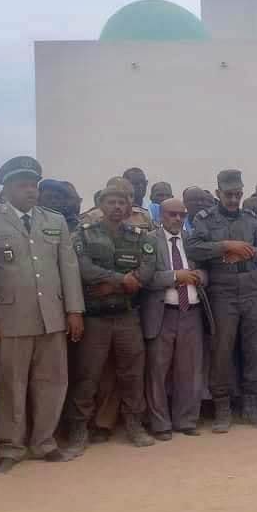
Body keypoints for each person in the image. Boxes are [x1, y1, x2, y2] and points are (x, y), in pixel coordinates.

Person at [0, 156, 85, 471]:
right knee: (10, 385)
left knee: (52, 382)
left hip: (52, 317)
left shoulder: (54, 220)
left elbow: (68, 269)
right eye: (23, 185)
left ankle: (44, 442)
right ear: (6, 189)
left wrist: (74, 310)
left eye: (34, 185)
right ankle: (10, 446)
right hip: (10, 319)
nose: (31, 191)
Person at [66, 180, 157, 453]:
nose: (117, 206)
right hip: (96, 317)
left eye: (121, 202)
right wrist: (121, 280)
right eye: (111, 202)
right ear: (101, 205)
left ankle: (134, 424)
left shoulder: (140, 236)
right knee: (88, 375)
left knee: (132, 373)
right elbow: (84, 268)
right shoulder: (84, 234)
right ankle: (79, 428)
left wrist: (119, 284)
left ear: (128, 206)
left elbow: (148, 267)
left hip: (127, 316)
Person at [187, 169, 257, 430]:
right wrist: (224, 246)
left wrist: (248, 252)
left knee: (256, 348)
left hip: (252, 287)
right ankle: (222, 408)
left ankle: (251, 405)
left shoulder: (251, 218)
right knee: (222, 348)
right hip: (222, 289)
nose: (234, 199)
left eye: (238, 194)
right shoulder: (204, 219)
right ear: (218, 193)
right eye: (229, 195)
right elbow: (193, 248)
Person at [142, 198, 211, 439]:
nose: (177, 219)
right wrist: (175, 276)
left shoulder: (191, 240)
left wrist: (200, 276)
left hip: (191, 312)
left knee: (190, 370)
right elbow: (146, 278)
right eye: (172, 214)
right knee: (158, 370)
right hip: (163, 313)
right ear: (161, 216)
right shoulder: (149, 240)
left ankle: (186, 420)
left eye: (182, 215)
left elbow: (207, 271)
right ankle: (160, 424)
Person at [79, 177, 154, 229]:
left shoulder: (143, 215)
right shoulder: (91, 217)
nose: (129, 200)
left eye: (131, 195)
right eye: (123, 196)